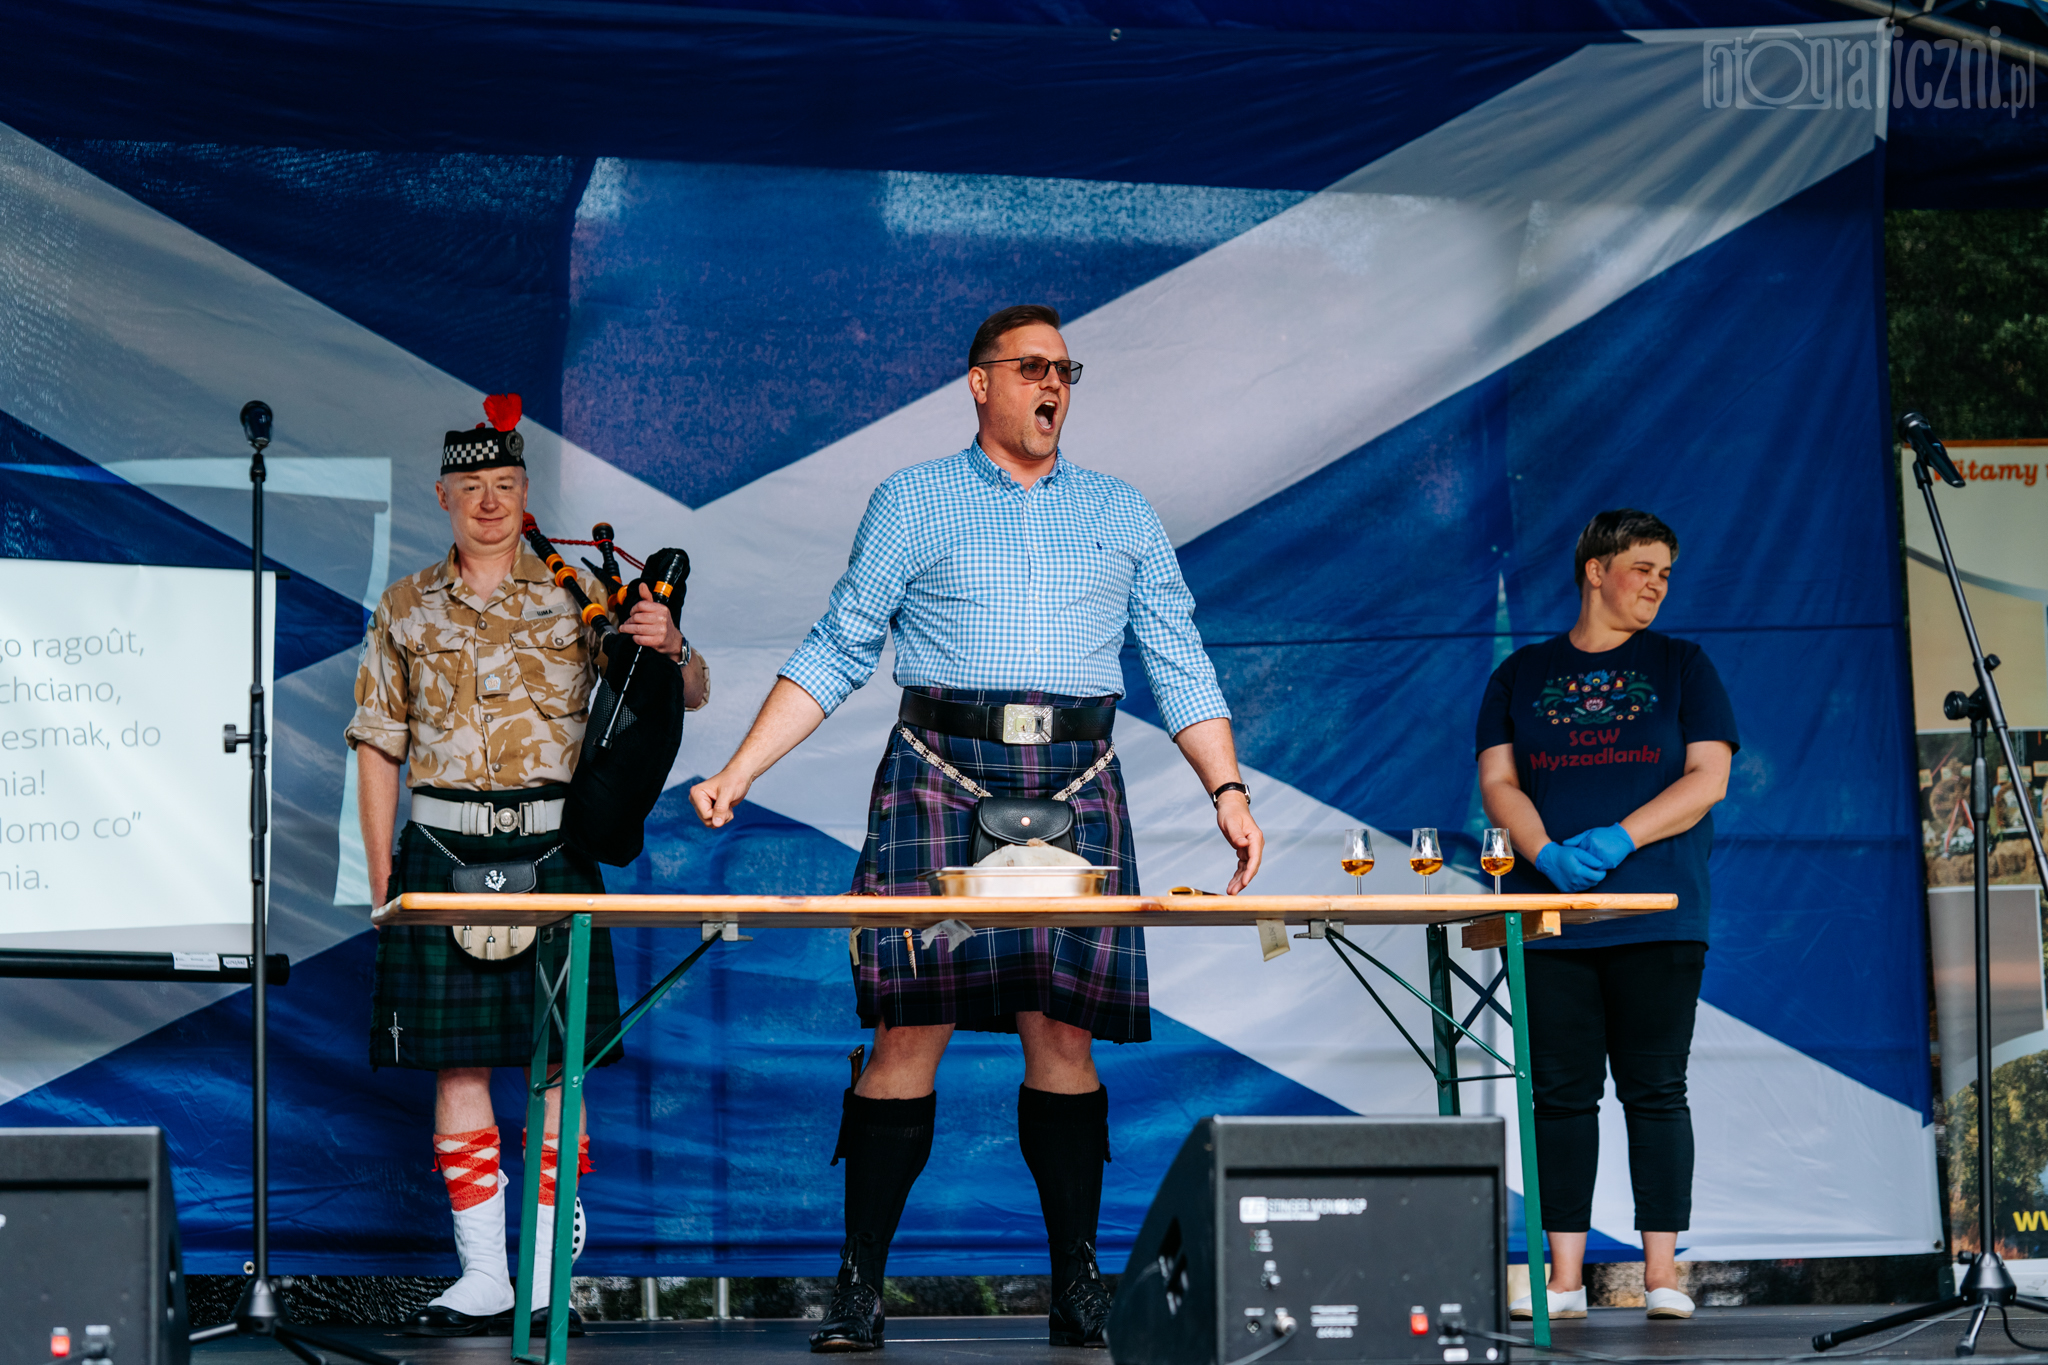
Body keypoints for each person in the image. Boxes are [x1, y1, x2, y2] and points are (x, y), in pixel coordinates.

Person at [690, 304, 1265, 1352]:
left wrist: (1226, 789)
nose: (1053, 386)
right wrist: (738, 768)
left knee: (1062, 1027)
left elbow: (1178, 657)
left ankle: (1077, 1286)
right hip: (939, 775)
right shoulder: (913, 499)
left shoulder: (1121, 510)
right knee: (909, 1025)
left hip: (1077, 777)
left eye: (1066, 371)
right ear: (980, 381)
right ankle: (858, 1289)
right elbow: (840, 643)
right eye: (1033, 367)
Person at [347, 396, 709, 1337]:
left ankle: (547, 1275)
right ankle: (483, 1277)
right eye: (472, 486)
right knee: (456, 1063)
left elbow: (681, 690)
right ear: (442, 495)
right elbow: (378, 744)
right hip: (439, 847)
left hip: (554, 846)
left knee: (558, 1069)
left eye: (505, 484)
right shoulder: (405, 606)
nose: (490, 501)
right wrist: (384, 878)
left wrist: (671, 644)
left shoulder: (579, 593)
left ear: (524, 492)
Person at [1475, 508, 1738, 1323]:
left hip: (1658, 910)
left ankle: (1662, 1274)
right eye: (1643, 568)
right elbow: (1499, 782)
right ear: (1596, 569)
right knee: (1560, 1094)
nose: (1658, 585)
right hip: (1548, 916)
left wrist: (1622, 835)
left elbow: (1709, 777)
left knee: (1655, 1089)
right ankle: (1564, 1281)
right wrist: (1545, 853)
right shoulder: (1521, 673)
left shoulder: (1683, 664)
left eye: (1666, 574)